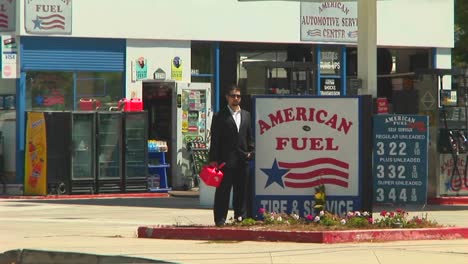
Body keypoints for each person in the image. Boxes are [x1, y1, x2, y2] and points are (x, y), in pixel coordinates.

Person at [209, 84, 254, 227]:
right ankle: (220, 219)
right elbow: (215, 139)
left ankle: (240, 217)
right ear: (227, 97)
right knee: (223, 192)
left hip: (242, 160)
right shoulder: (219, 116)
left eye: (238, 96)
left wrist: (251, 152)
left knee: (241, 191)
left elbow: (249, 136)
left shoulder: (246, 115)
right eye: (233, 96)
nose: (236, 98)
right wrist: (214, 159)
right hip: (225, 161)